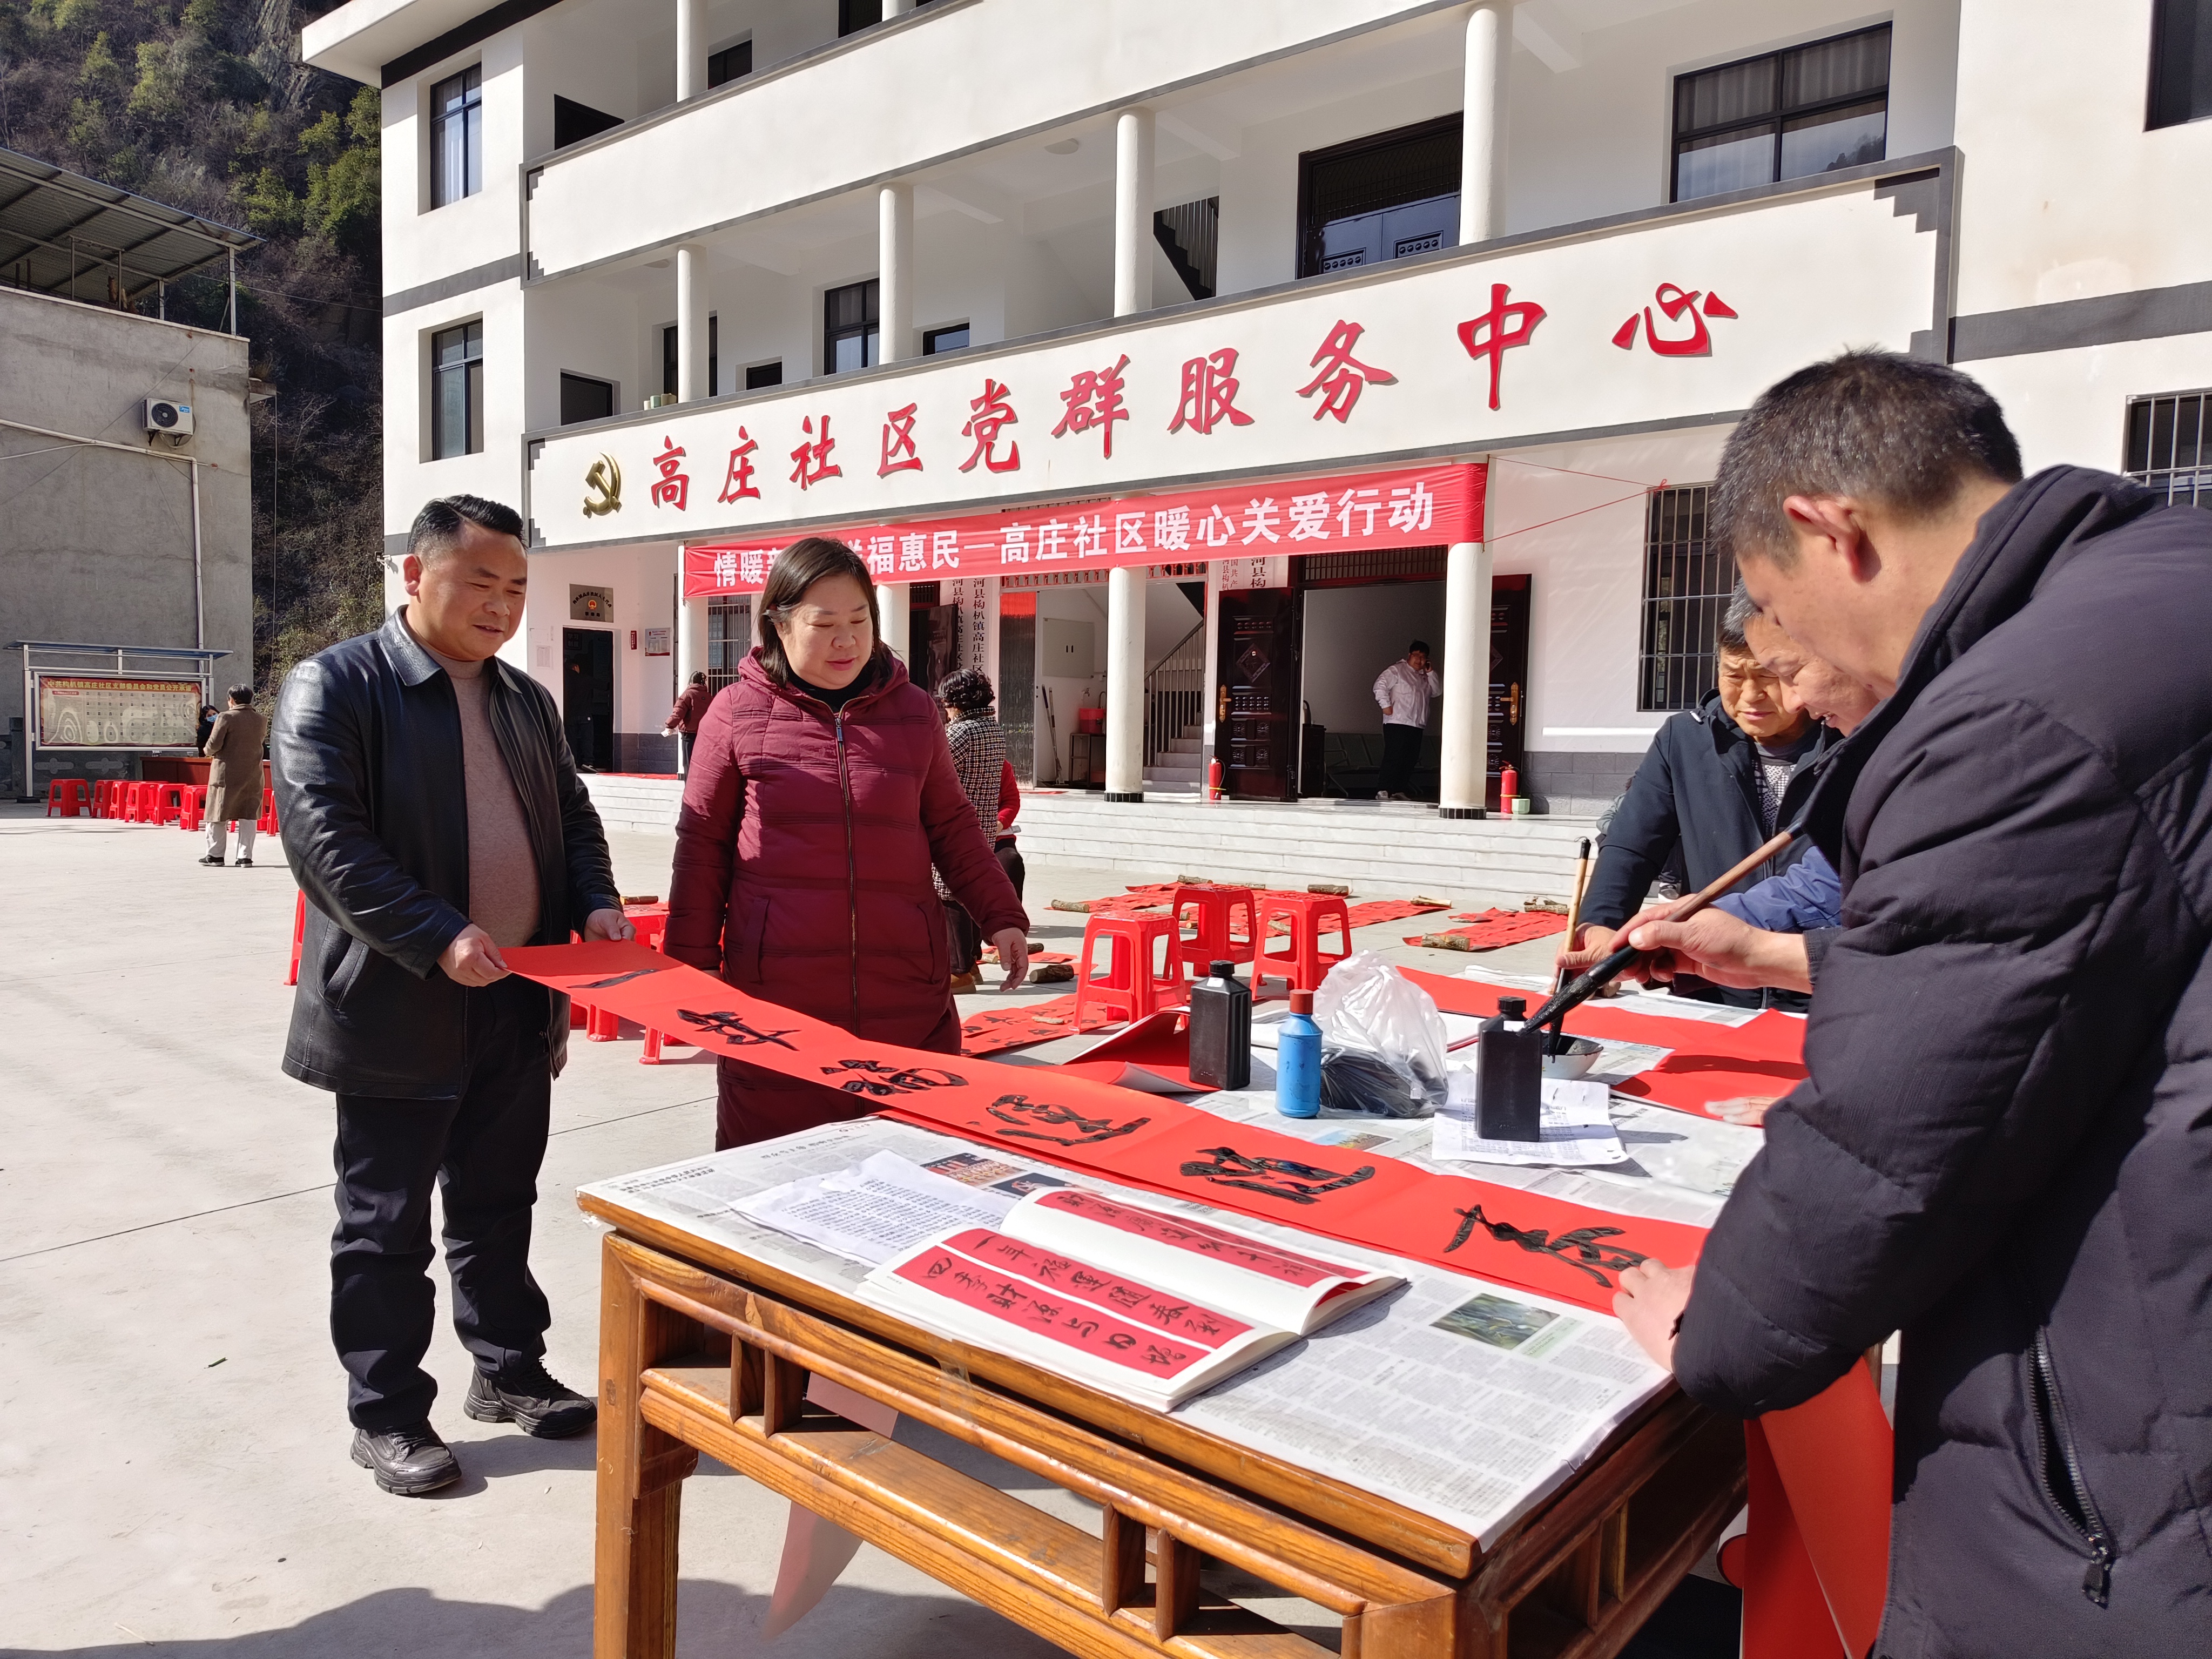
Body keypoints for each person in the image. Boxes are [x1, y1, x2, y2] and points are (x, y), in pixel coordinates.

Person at [1611, 351, 2212, 1654]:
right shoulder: (2166, 588)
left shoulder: (2018, 715)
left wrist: (1716, 1324)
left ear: (1833, 532)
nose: (1793, 667)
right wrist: (1771, 958)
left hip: (2139, 1475)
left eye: (1779, 609)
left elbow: (1887, 1147)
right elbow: (2084, 958)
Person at [274, 494, 631, 1498]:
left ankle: (508, 1369)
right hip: (397, 1008)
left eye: (516, 587)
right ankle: (387, 1412)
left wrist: (596, 902)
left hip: (518, 999)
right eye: (481, 582)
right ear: (414, 574)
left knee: (498, 1204)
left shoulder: (525, 701)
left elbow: (572, 817)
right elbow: (326, 842)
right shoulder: (337, 686)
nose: (501, 605)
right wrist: (437, 934)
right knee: (383, 1225)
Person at [665, 538, 1030, 1150]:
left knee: (916, 1165)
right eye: (824, 624)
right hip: (778, 1000)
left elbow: (953, 825)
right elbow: (702, 844)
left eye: (860, 621)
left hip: (906, 990)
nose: (847, 641)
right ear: (779, 624)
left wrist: (1001, 914)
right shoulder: (735, 713)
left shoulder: (914, 713)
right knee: (778, 1171)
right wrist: (694, 963)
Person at [1556, 596, 1832, 1008]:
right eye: (1733, 675)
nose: (1750, 695)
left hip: (1814, 981)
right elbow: (1632, 846)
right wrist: (1600, 926)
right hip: (1709, 980)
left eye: (1768, 675)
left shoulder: (1849, 738)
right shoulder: (1685, 739)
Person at [935, 668, 1009, 994]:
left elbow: (934, 772)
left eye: (946, 702)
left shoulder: (960, 733)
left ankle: (959, 969)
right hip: (984, 823)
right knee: (970, 889)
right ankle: (972, 962)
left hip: (956, 823)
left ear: (956, 701)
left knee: (948, 891)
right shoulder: (993, 729)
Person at [198, 684, 267, 868]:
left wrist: (206, 751)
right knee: (248, 815)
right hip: (253, 773)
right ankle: (245, 857)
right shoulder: (261, 719)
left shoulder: (226, 717)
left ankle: (215, 856)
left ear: (232, 700)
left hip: (225, 773)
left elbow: (214, 744)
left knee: (218, 813)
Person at [1371, 640, 1440, 800]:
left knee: (1410, 758)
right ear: (1409, 655)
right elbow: (1380, 685)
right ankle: (1383, 789)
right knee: (1394, 756)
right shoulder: (1397, 670)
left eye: (1423, 657)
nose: (1419, 660)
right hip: (1397, 721)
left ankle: (1398, 790)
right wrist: (1386, 706)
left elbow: (1437, 691)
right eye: (1416, 656)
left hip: (1417, 723)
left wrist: (1431, 672)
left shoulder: (1425, 676)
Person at [665, 670, 710, 773]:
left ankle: (690, 783)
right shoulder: (708, 696)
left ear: (691, 682)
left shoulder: (688, 695)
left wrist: (669, 725)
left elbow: (679, 712)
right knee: (702, 763)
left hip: (689, 734)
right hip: (704, 734)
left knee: (688, 763)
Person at [995, 757, 1024, 898]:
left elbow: (1011, 800)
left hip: (998, 836)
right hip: (961, 836)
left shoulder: (1001, 765)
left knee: (1011, 862)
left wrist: (1000, 823)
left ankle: (1011, 911)